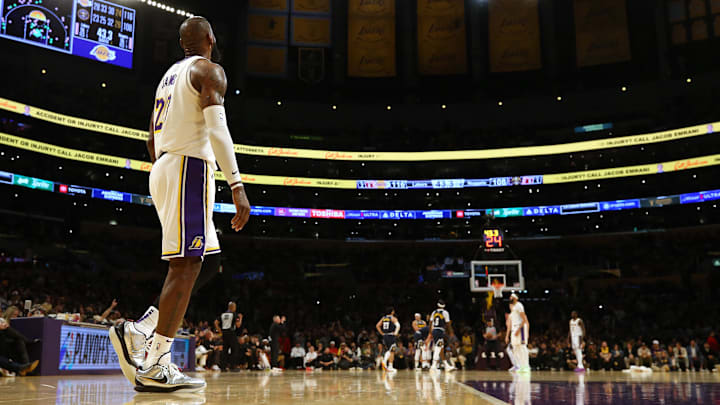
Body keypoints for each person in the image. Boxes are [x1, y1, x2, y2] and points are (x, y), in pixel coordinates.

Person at [109, 16, 251, 393]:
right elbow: (218, 130)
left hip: (165, 166)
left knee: (209, 262)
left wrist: (168, 171)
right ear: (210, 38)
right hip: (188, 167)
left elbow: (151, 142)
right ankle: (154, 361)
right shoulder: (210, 70)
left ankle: (143, 332)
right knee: (187, 264)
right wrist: (237, 185)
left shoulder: (167, 77)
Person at [426, 300, 456, 372]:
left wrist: (430, 332)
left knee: (441, 348)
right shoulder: (445, 312)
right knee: (438, 347)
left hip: (434, 330)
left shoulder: (434, 312)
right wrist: (451, 332)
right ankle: (433, 366)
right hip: (440, 331)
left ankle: (446, 365)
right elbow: (448, 324)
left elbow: (430, 323)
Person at [214, 302, 242, 371]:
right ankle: (233, 367)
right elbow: (238, 325)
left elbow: (215, 322)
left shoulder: (223, 314)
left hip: (224, 333)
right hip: (231, 332)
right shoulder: (234, 315)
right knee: (234, 349)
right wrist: (240, 318)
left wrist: (220, 331)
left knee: (225, 350)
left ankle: (223, 367)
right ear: (233, 307)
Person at [509, 293, 530, 373]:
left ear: (516, 298)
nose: (510, 297)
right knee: (515, 347)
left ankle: (526, 366)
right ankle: (520, 365)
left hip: (519, 327)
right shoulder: (513, 308)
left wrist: (518, 329)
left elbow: (524, 319)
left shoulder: (519, 305)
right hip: (514, 328)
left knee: (522, 347)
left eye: (512, 296)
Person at [376, 307, 400, 373]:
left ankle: (387, 364)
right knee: (392, 350)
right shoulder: (393, 318)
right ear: (392, 312)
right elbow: (398, 325)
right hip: (391, 335)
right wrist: (396, 333)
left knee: (390, 350)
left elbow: (377, 325)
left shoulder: (383, 318)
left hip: (385, 336)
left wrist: (382, 333)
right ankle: (388, 365)